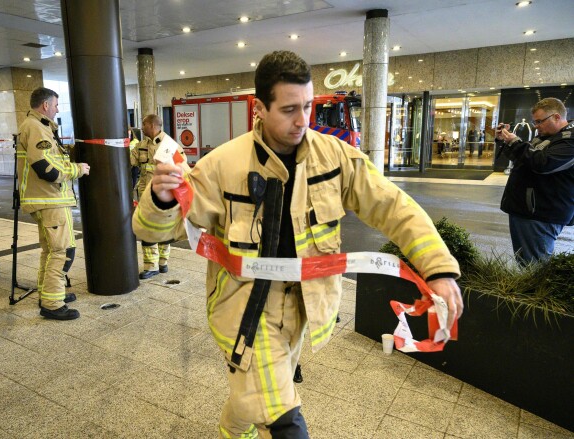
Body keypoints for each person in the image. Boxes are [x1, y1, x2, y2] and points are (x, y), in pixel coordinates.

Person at [132, 50, 463, 438]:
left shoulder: (335, 157)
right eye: (289, 109)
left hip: (306, 307)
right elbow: (151, 231)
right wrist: (161, 200)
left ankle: (231, 429)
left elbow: (393, 206)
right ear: (259, 108)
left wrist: (438, 269)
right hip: (244, 309)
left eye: (307, 106)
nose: (302, 120)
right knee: (284, 416)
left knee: (255, 396)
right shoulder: (223, 166)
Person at [17, 87, 90, 320]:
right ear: (46, 105)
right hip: (49, 199)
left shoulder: (36, 126)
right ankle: (51, 303)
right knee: (62, 251)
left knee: (50, 250)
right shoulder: (37, 128)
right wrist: (78, 169)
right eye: (56, 105)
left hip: (45, 198)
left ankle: (49, 293)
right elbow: (47, 169)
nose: (58, 109)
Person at [496, 97, 574, 266]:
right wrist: (505, 140)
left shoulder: (569, 140)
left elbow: (543, 164)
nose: (536, 126)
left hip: (540, 212)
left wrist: (516, 142)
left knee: (534, 268)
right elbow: (524, 158)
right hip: (529, 209)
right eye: (535, 122)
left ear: (556, 117)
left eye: (539, 121)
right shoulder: (547, 136)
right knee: (527, 262)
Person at [130, 114, 187, 280]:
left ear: (153, 125)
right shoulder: (142, 144)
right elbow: (131, 160)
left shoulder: (169, 145)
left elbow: (181, 168)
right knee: (148, 228)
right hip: (145, 195)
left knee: (162, 229)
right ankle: (152, 265)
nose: (141, 127)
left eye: (144, 124)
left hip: (163, 196)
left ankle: (161, 263)